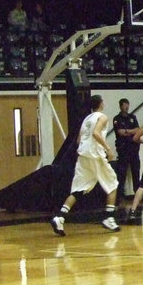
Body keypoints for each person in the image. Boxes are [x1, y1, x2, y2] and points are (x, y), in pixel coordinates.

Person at [51, 95, 120, 236]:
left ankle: (60, 217)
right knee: (112, 184)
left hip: (82, 154)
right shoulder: (102, 117)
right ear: (101, 104)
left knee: (78, 190)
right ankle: (109, 218)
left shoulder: (86, 119)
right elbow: (95, 133)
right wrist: (108, 148)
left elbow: (78, 140)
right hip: (94, 155)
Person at [112, 98, 141, 204]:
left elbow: (137, 130)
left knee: (136, 171)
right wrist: (130, 132)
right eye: (125, 105)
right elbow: (120, 132)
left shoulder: (132, 117)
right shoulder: (117, 119)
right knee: (122, 173)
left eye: (128, 105)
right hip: (123, 149)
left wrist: (127, 131)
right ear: (121, 106)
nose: (127, 107)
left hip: (133, 149)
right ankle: (120, 195)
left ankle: (138, 193)